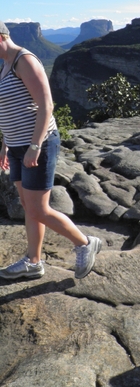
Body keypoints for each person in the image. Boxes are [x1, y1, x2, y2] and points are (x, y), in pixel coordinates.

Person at [0, 21, 101, 280]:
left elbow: (46, 106)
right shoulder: (5, 64)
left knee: (38, 209)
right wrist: (5, 145)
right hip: (17, 146)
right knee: (27, 204)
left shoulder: (25, 60)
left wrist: (35, 146)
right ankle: (33, 262)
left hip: (39, 145)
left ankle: (85, 243)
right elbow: (14, 111)